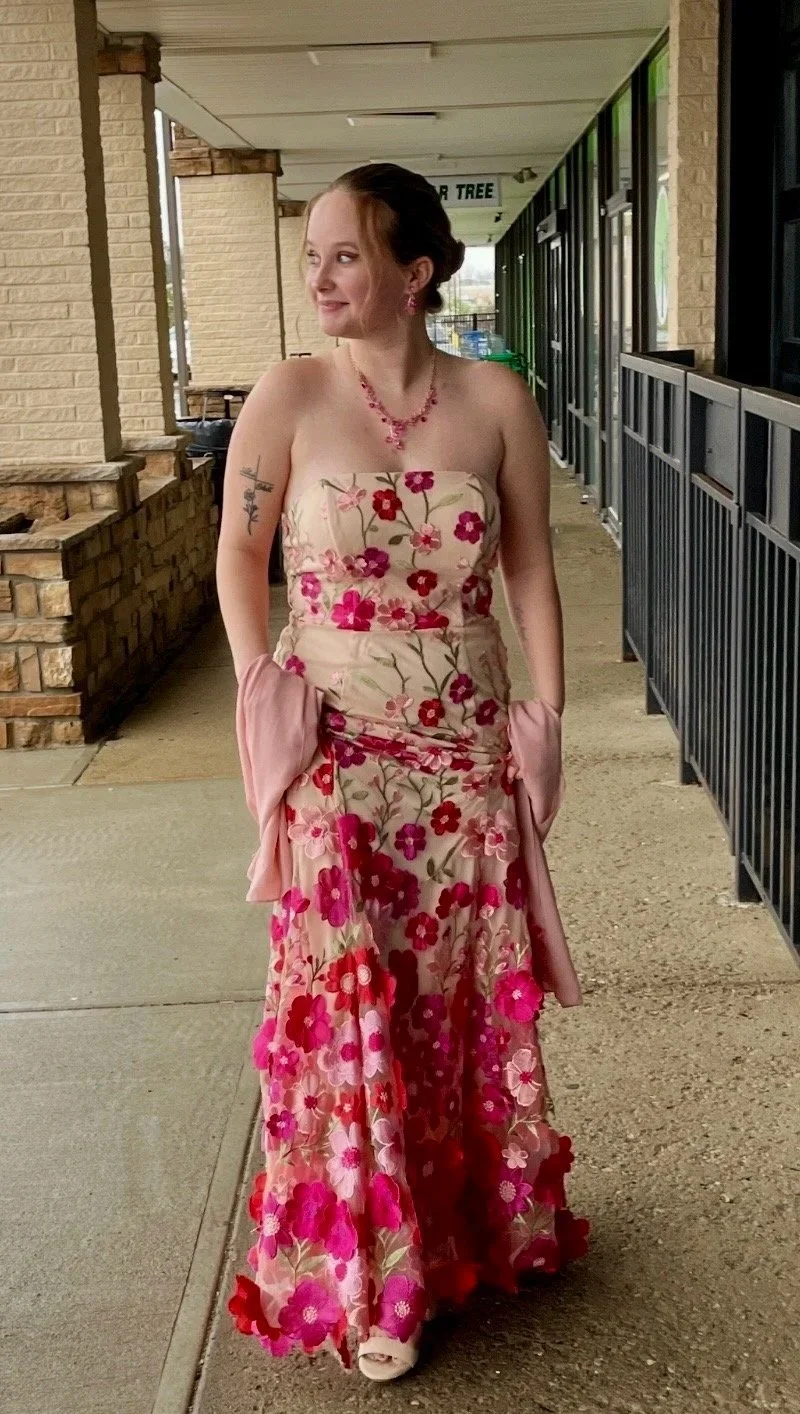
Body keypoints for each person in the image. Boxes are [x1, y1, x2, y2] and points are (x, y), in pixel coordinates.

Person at [216, 162, 587, 1382]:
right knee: (352, 1014)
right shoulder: (286, 394)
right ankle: (375, 1278)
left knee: (453, 1008)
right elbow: (240, 549)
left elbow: (529, 564)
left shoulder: (495, 399)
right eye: (311, 252)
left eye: (341, 254)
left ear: (415, 272)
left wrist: (546, 709)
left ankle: (465, 1230)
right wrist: (263, 682)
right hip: (339, 751)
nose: (316, 274)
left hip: (466, 758)